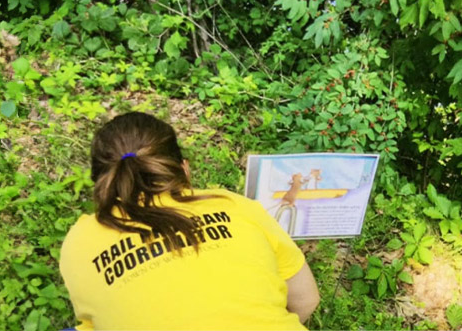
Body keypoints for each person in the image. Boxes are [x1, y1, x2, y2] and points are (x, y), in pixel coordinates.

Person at [59, 112, 320, 330]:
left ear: (101, 182)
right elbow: (306, 300)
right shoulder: (233, 205)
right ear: (184, 168)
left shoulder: (79, 242)